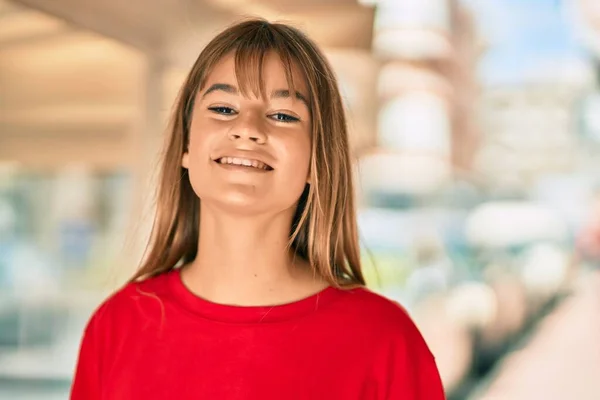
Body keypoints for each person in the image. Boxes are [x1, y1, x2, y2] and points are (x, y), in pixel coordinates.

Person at [70, 18, 446, 399]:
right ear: (186, 145)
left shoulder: (386, 341)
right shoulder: (116, 326)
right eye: (222, 108)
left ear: (318, 160)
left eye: (283, 115)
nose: (247, 128)